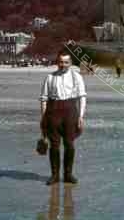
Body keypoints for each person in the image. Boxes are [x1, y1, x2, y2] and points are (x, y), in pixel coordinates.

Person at [40, 51, 87, 185]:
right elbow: (44, 99)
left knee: (69, 144)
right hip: (53, 111)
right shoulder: (49, 77)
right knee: (54, 145)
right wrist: (43, 117)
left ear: (70, 63)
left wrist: (81, 116)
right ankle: (54, 175)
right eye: (61, 62)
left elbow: (82, 97)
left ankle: (68, 175)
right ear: (57, 62)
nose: (63, 65)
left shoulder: (76, 76)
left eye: (66, 62)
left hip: (70, 111)